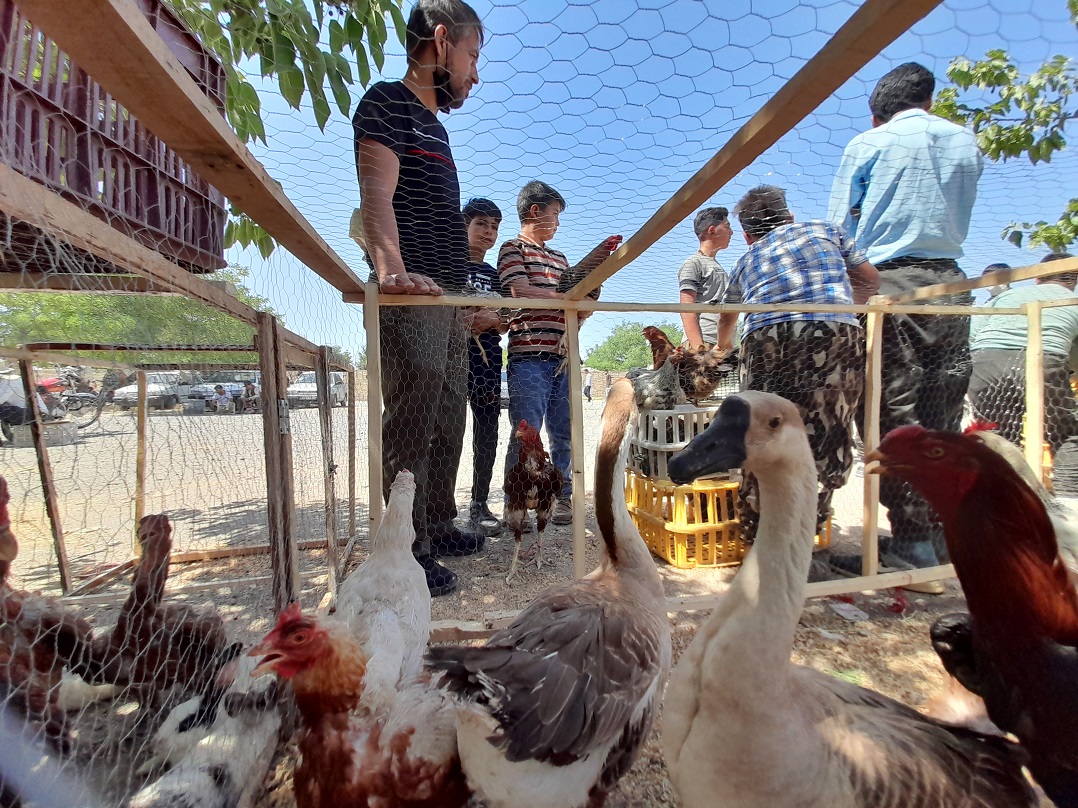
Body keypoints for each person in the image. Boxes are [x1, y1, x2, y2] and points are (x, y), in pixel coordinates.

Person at [827, 62, 983, 576]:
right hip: (953, 284)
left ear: (877, 113)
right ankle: (940, 537)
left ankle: (910, 543)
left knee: (890, 408)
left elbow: (839, 231)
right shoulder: (966, 142)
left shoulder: (868, 144)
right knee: (944, 405)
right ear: (930, 101)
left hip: (889, 284)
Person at [353, 0, 485, 596]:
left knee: (449, 411)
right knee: (415, 410)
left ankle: (437, 524)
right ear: (441, 41)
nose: (475, 74)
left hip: (449, 294)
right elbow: (376, 193)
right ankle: (406, 547)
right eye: (473, 55)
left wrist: (463, 301)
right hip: (414, 290)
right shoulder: (387, 102)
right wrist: (392, 270)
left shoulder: (438, 128)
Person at [716, 185, 879, 550]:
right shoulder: (826, 230)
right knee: (826, 436)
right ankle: (804, 540)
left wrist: (723, 344)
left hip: (767, 341)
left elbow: (728, 314)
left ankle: (758, 540)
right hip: (833, 336)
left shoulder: (746, 259)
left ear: (746, 235)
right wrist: (846, 310)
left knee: (760, 432)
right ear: (790, 216)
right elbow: (870, 279)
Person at [499, 180, 621, 525]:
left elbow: (578, 311)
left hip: (563, 356)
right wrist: (568, 300)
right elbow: (520, 290)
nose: (557, 223)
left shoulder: (560, 258)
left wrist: (584, 305)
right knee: (526, 433)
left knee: (564, 431)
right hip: (528, 356)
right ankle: (518, 501)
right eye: (555, 214)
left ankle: (561, 496)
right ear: (535, 212)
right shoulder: (513, 248)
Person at [968, 253, 1078, 452]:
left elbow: (972, 334)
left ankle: (999, 480)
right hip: (1046, 362)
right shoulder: (1073, 301)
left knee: (995, 437)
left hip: (986, 362)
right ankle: (1067, 482)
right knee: (1067, 435)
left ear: (1038, 278)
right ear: (1074, 280)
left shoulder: (1007, 296)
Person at [462, 197, 507, 538]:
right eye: (481, 224)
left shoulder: (494, 275)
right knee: (443, 430)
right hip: (451, 356)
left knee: (487, 432)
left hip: (488, 360)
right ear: (463, 225)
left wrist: (491, 317)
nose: (488, 232)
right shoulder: (448, 265)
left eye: (494, 227)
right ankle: (437, 509)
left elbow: (508, 315)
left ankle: (478, 504)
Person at [679, 207, 733, 349]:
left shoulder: (716, 266)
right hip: (703, 342)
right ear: (711, 230)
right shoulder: (694, 263)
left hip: (718, 344)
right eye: (727, 227)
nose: (731, 232)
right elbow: (686, 308)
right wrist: (699, 350)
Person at [0, 372, 49, 443]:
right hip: (33, 412)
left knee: (2, 410)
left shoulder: (9, 382)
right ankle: (10, 437)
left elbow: (1, 399)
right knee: (4, 410)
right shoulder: (13, 379)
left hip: (36, 414)